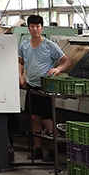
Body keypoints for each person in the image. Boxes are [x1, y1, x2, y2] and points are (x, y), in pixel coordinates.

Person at [18, 14, 70, 161]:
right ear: (28, 28)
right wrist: (20, 76)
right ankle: (38, 150)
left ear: (42, 28)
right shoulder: (24, 46)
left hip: (46, 87)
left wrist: (57, 69)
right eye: (32, 26)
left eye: (38, 26)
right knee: (34, 118)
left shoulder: (49, 46)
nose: (35, 29)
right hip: (31, 86)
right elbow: (20, 62)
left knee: (46, 120)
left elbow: (66, 61)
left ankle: (52, 151)